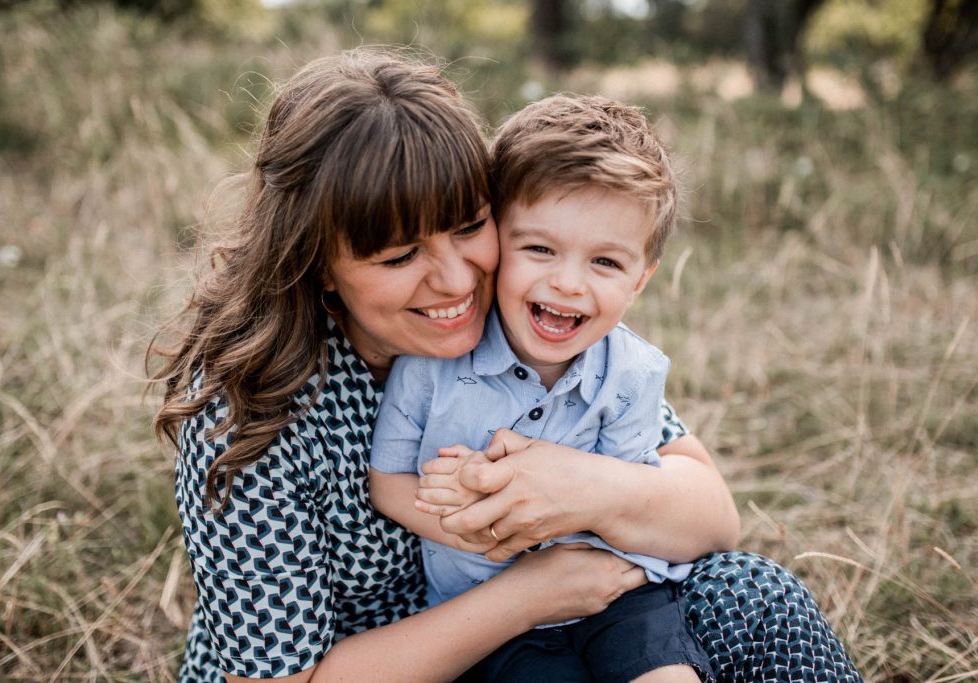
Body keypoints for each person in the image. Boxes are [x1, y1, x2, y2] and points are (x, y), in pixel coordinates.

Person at [149, 48, 863, 682]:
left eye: (468, 228)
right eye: (401, 257)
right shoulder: (247, 413)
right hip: (399, 660)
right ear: (319, 263)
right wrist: (528, 596)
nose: (457, 280)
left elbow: (712, 515)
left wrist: (591, 489)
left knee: (754, 594)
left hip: (557, 628)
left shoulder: (525, 317)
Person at [369, 94, 711, 683]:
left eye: (605, 262)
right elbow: (389, 480)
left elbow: (633, 492)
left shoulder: (632, 373)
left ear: (641, 280)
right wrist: (475, 526)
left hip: (612, 591)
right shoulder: (433, 363)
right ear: (497, 241)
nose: (569, 283)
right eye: (540, 249)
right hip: (486, 611)